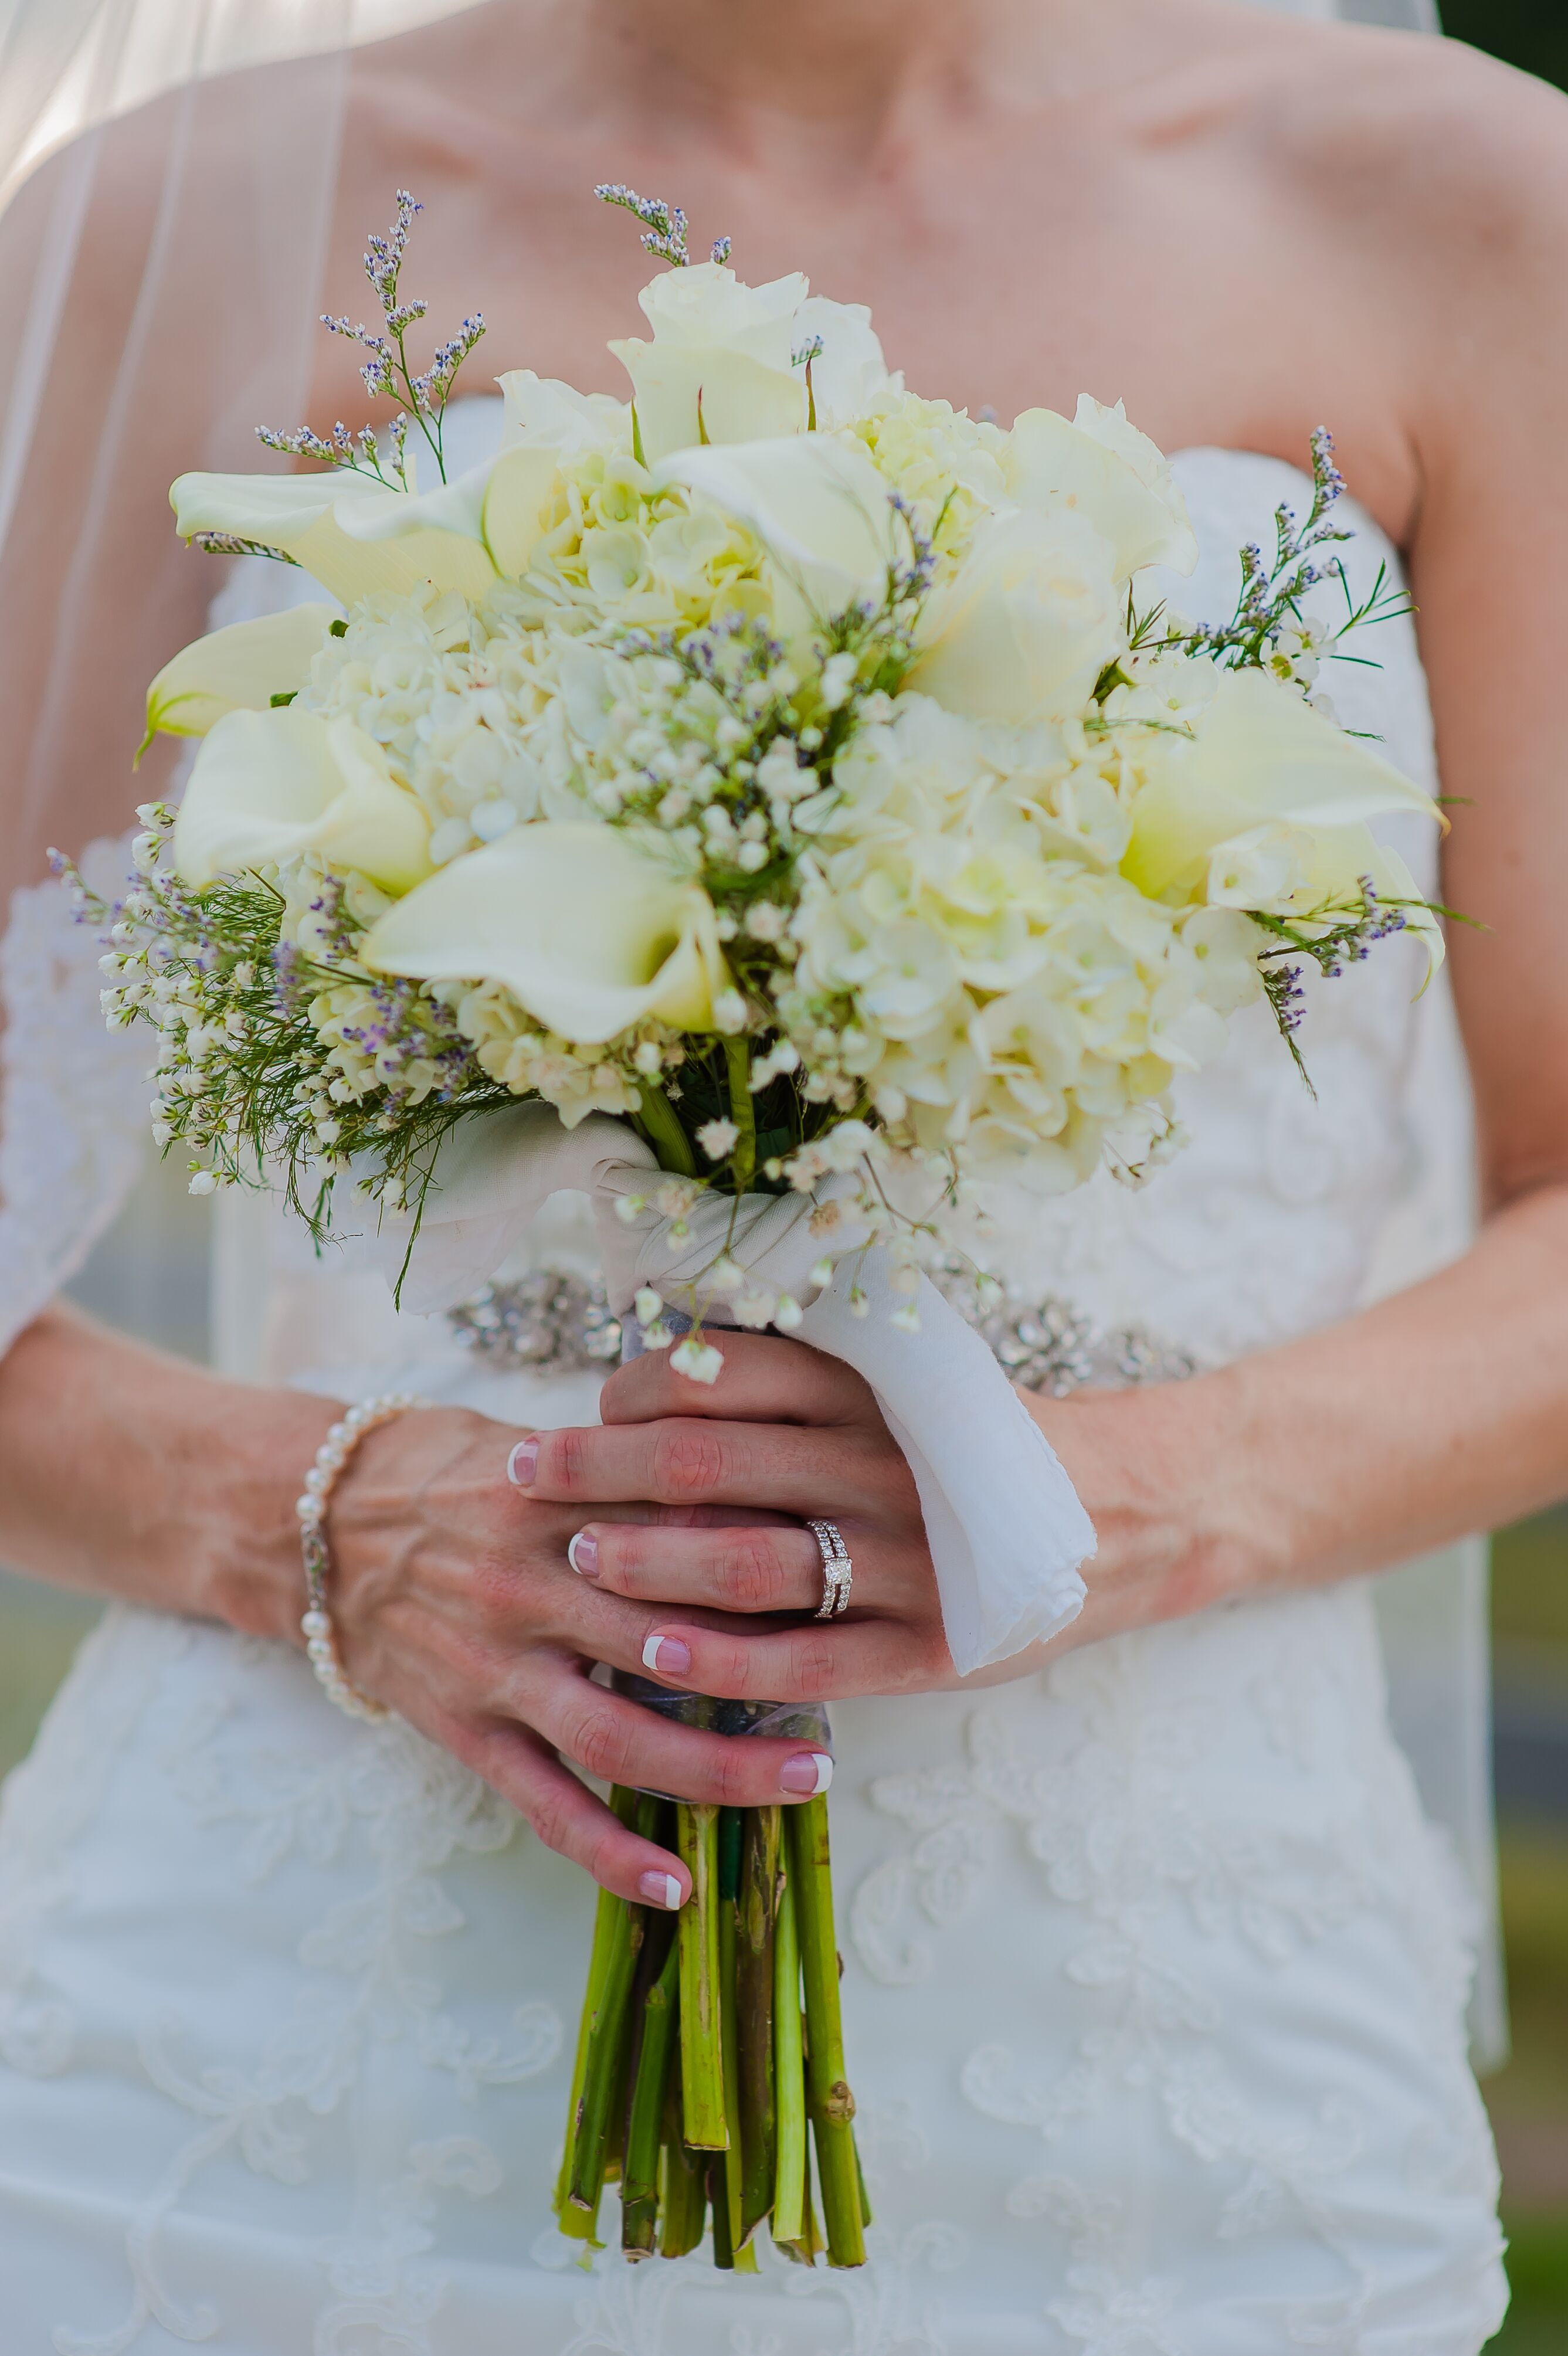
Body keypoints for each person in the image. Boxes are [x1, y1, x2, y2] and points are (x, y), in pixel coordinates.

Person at [0, 0, 1562, 2345]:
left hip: (1163, 2029)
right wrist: (312, 1517)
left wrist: (1136, 1498)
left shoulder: (1475, 212)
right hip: (290, 2027)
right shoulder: (169, 223)